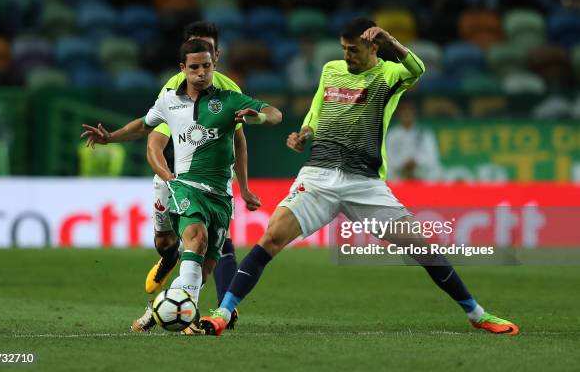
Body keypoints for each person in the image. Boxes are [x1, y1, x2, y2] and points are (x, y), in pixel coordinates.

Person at [200, 18, 519, 336]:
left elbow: (418, 68)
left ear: (373, 48)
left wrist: (391, 39)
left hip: (364, 183)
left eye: (353, 50)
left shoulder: (388, 75)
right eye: (343, 49)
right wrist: (305, 133)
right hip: (319, 177)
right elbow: (317, 110)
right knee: (270, 238)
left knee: (422, 248)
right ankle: (224, 312)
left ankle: (476, 313)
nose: (347, 56)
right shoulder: (331, 70)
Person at [82, 39, 282, 333]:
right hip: (186, 185)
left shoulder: (230, 100)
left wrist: (259, 116)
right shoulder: (169, 101)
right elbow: (143, 125)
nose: (201, 73)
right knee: (196, 238)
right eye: (194, 68)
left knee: (205, 268)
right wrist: (110, 137)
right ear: (183, 69)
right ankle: (184, 317)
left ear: (214, 65)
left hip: (221, 196)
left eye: (206, 66)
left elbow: (277, 114)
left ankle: (159, 311)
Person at [386, 101, 442, 181]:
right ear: (398, 116)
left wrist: (416, 162)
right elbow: (388, 160)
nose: (407, 116)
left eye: (409, 113)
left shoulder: (425, 134)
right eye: (404, 114)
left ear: (414, 115)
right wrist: (403, 163)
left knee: (437, 172)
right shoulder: (392, 135)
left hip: (421, 175)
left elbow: (432, 158)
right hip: (399, 176)